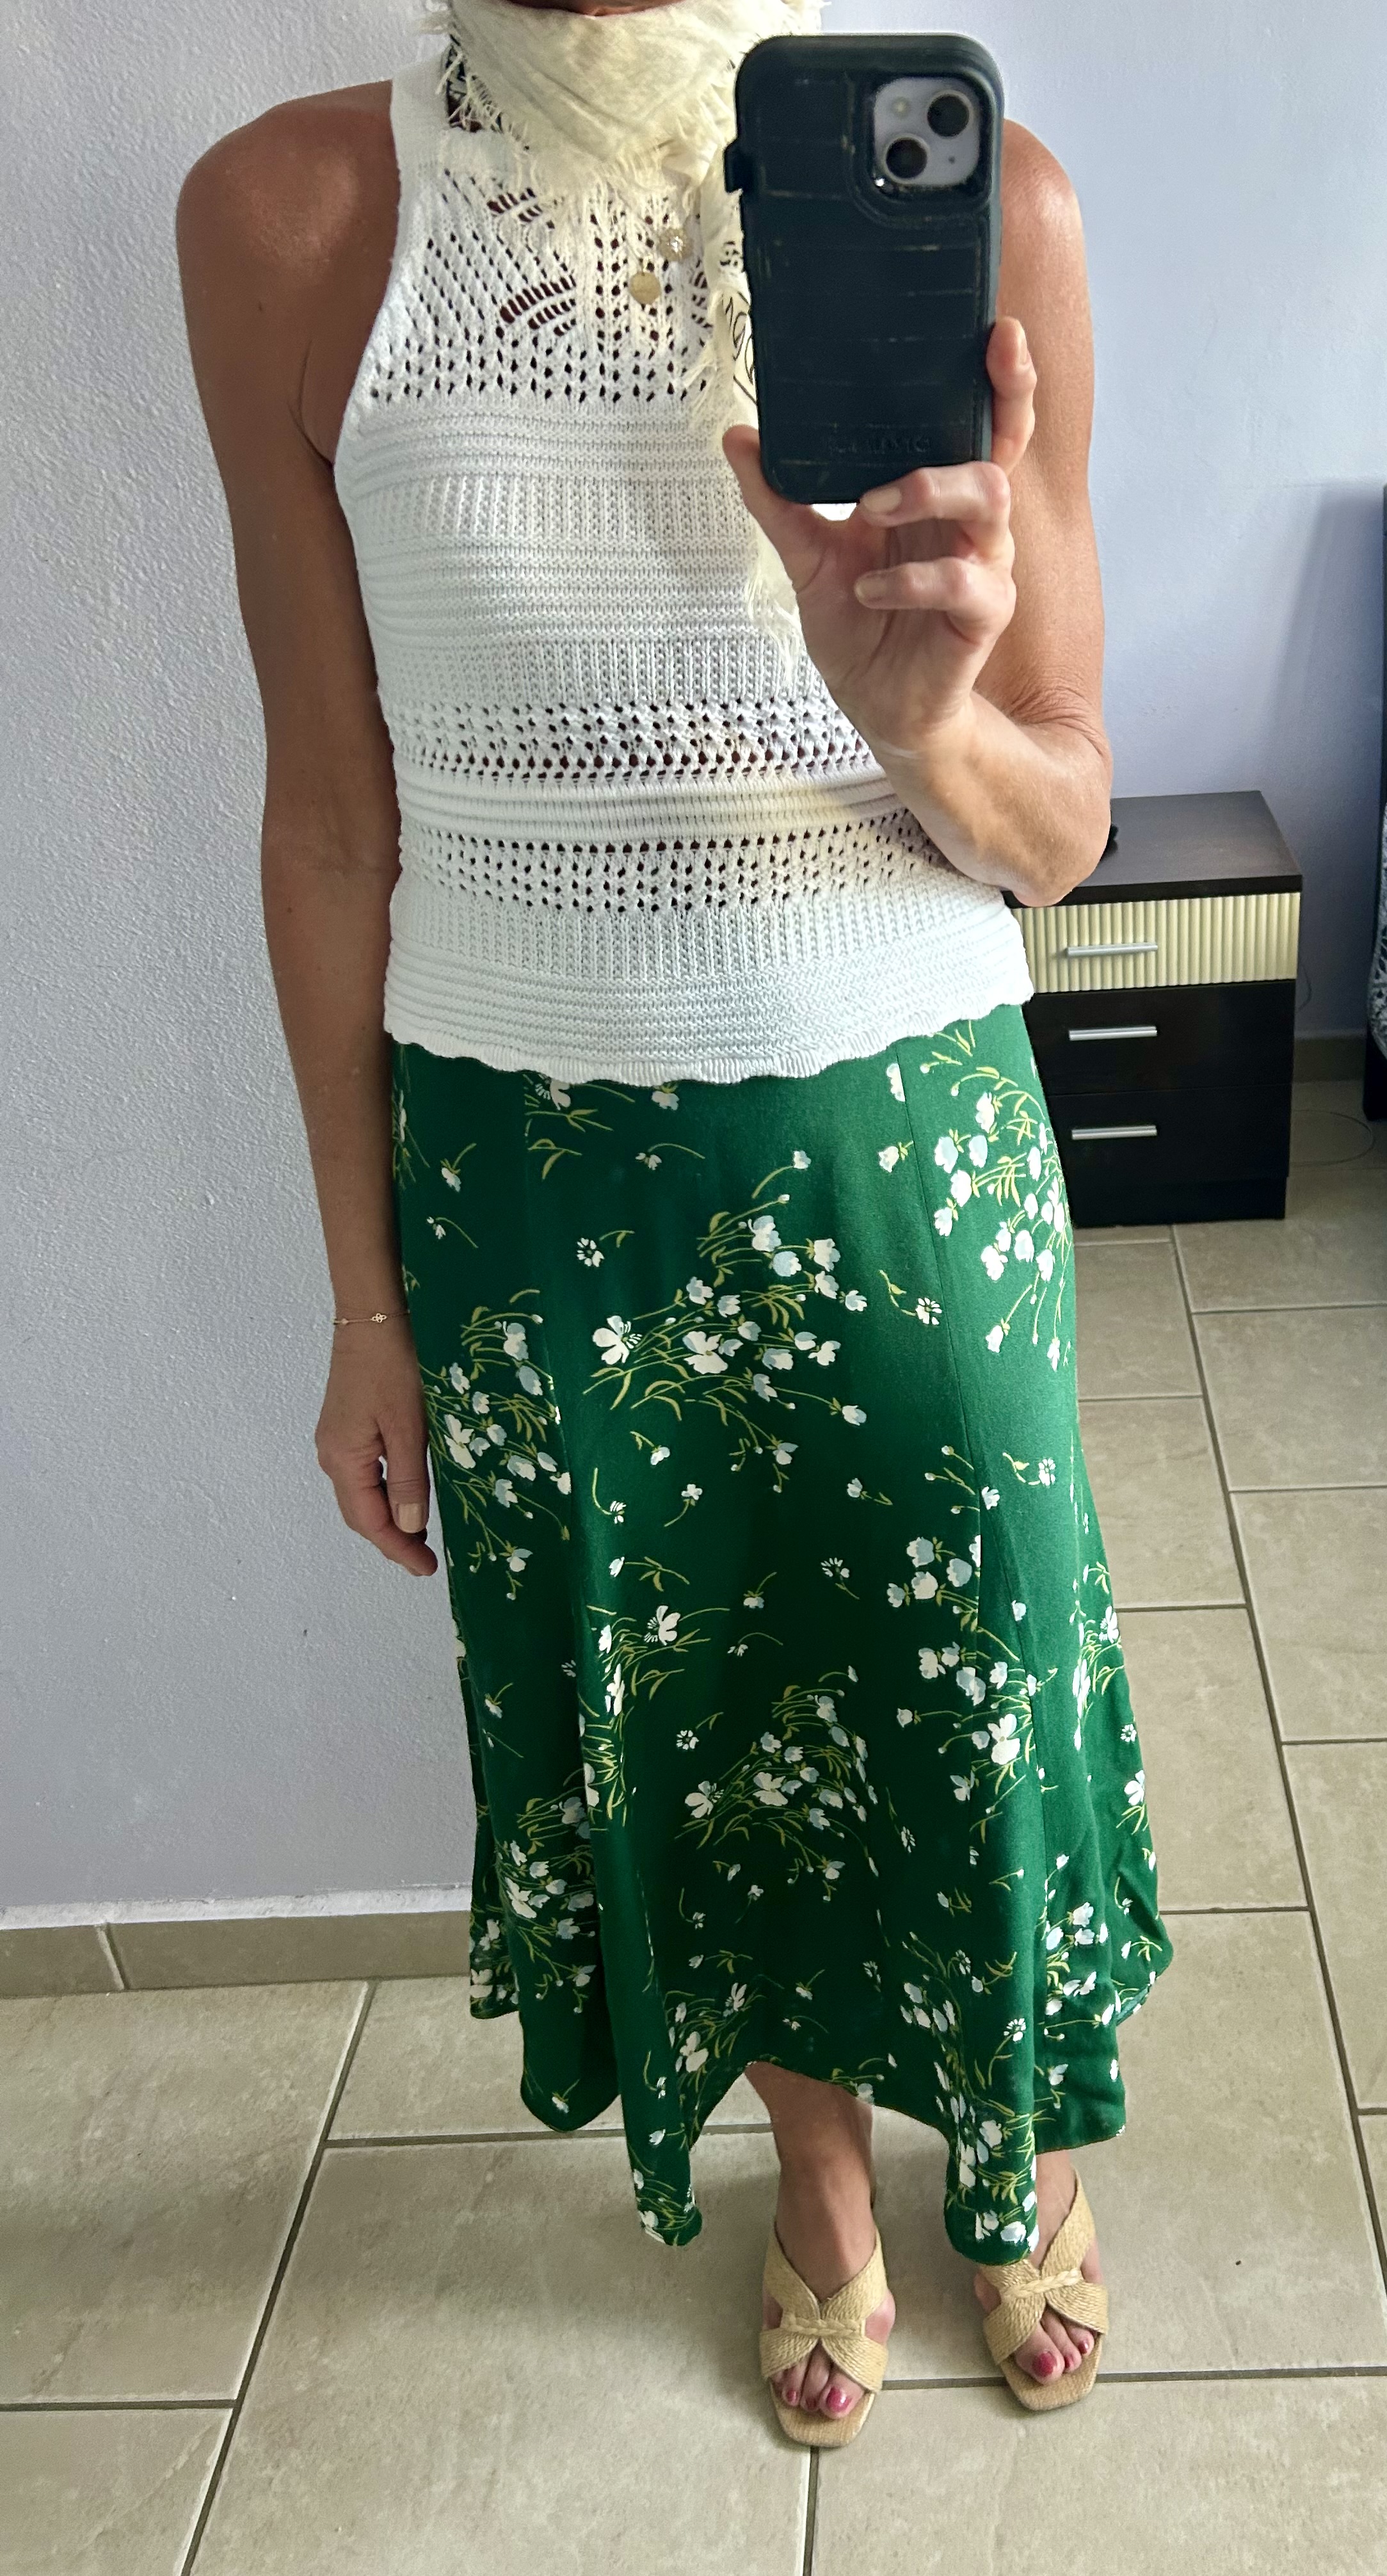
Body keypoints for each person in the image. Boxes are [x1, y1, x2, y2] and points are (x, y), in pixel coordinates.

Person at [177, 0, 1173, 2445]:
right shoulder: (288, 217)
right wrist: (363, 1301)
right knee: (694, 1732)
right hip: (534, 1201)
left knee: (977, 1696)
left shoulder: (993, 207)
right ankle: (820, 2181)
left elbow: (1059, 831)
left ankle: (1013, 2152)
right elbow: (328, 820)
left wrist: (917, 713)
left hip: (901, 1161)